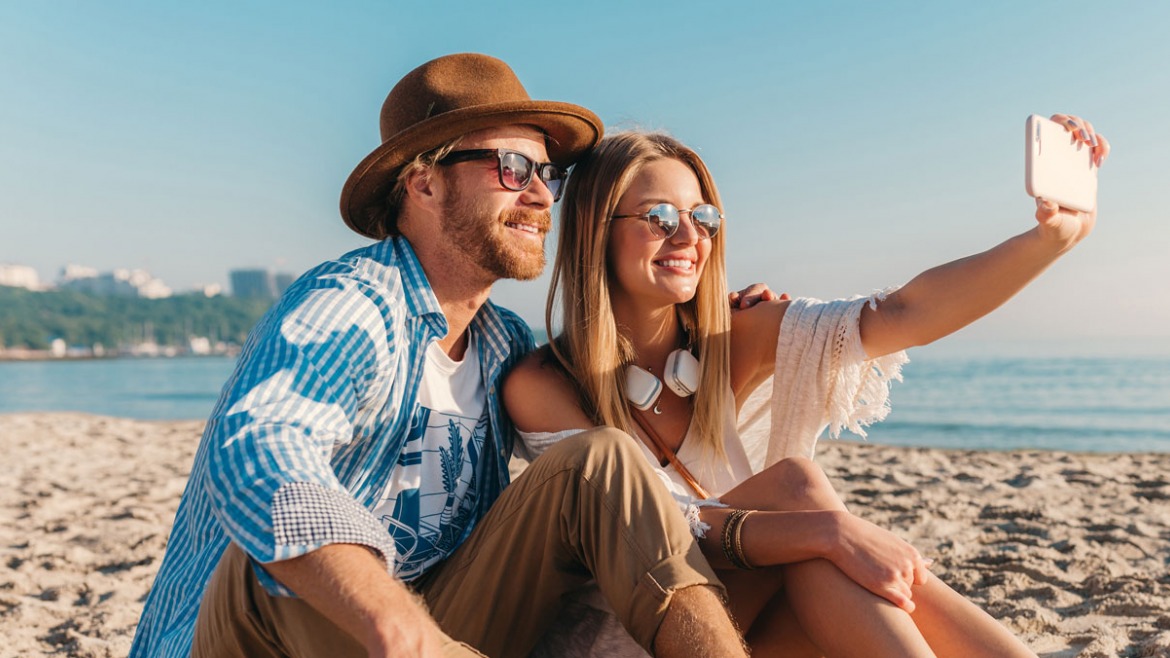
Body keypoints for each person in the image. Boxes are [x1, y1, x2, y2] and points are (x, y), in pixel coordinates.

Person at [129, 53, 758, 658]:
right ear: (424, 182)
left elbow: (604, 461)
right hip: (263, 636)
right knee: (269, 564)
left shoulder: (503, 343)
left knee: (600, 461)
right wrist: (385, 610)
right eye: (513, 167)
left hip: (433, 623)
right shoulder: (352, 303)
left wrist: (706, 320)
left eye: (548, 175)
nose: (541, 196)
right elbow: (261, 442)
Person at [505, 120, 1109, 656]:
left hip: (741, 614)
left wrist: (1048, 242)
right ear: (594, 230)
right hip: (637, 630)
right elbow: (648, 528)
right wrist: (829, 529)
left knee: (819, 547)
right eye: (659, 217)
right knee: (799, 494)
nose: (689, 238)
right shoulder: (544, 383)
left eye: (703, 217)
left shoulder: (728, 340)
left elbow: (900, 315)